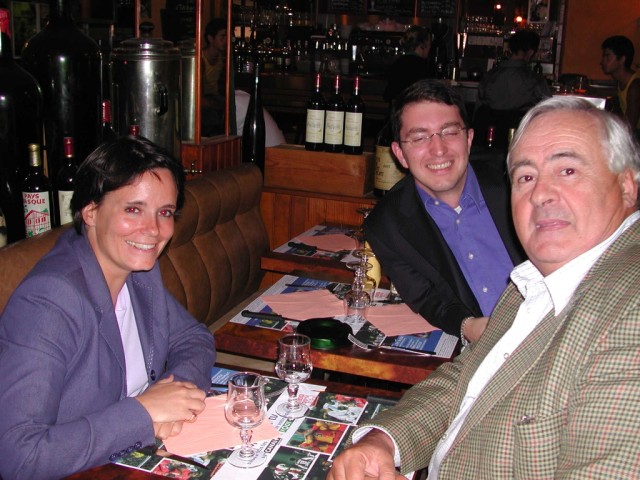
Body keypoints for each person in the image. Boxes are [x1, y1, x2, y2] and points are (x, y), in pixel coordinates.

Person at [329, 95, 640, 479]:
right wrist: (384, 440)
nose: (540, 193)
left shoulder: (629, 312)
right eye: (526, 177)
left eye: (568, 170)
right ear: (399, 153)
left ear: (627, 185)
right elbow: (467, 379)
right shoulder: (531, 282)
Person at [0, 136, 216, 479]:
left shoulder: (138, 272)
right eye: (133, 209)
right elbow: (18, 457)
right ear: (90, 211)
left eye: (165, 212)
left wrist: (175, 400)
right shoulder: (49, 301)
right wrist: (144, 413)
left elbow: (194, 338)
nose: (153, 230)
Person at [364, 79, 525, 343]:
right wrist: (467, 327)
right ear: (400, 154)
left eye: (449, 132)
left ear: (468, 139)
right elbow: (427, 297)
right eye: (419, 137)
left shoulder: (517, 181)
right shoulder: (386, 225)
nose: (438, 150)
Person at [477, 29, 551, 112]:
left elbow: (479, 111)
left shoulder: (489, 77)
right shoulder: (536, 81)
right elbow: (549, 110)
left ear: (511, 48)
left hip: (490, 120)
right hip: (523, 120)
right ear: (531, 52)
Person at [600, 35, 640, 137]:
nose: (602, 61)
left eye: (607, 57)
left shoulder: (635, 86)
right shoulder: (621, 81)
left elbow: (629, 127)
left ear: (622, 59)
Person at [383, 25, 432, 105]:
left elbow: (388, 95)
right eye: (429, 44)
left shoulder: (398, 62)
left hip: (397, 110)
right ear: (423, 44)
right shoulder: (421, 65)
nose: (430, 47)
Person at [201, 18, 228, 136]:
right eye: (222, 37)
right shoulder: (200, 60)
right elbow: (199, 99)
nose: (226, 40)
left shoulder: (222, 58)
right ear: (210, 38)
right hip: (204, 103)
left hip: (214, 98)